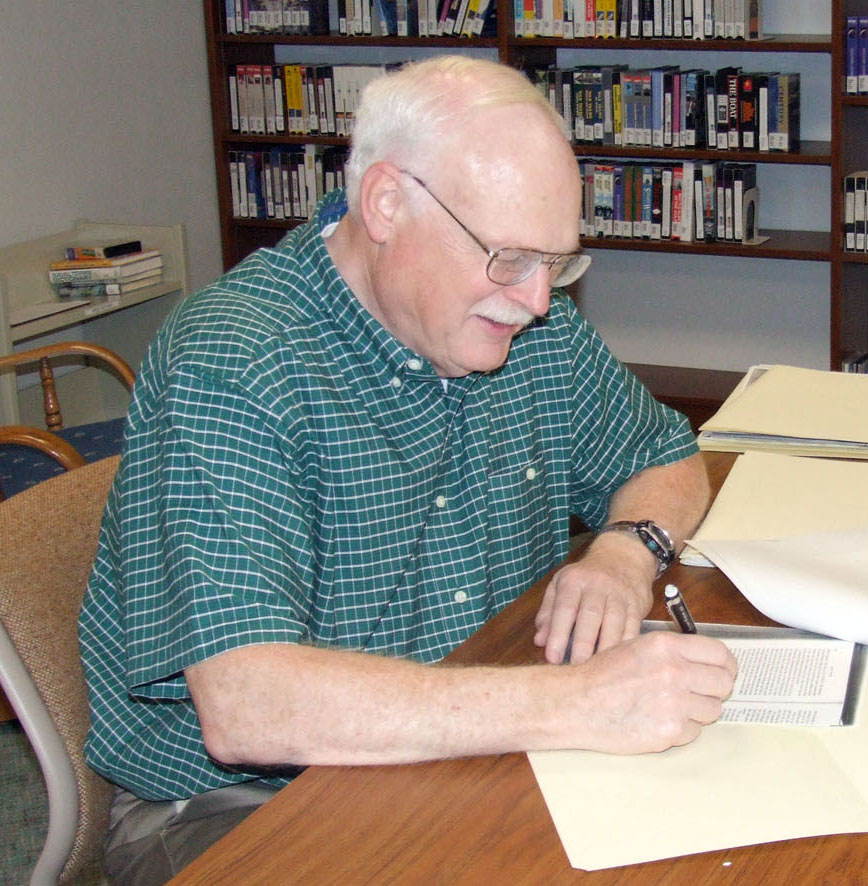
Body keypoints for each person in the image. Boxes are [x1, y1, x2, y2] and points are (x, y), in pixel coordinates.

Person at [79, 55, 736, 883]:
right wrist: (577, 705)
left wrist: (622, 552)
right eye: (509, 258)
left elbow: (666, 457)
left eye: (558, 263)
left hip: (477, 737)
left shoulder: (529, 330)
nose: (537, 299)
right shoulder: (236, 363)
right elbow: (249, 706)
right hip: (242, 800)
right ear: (386, 203)